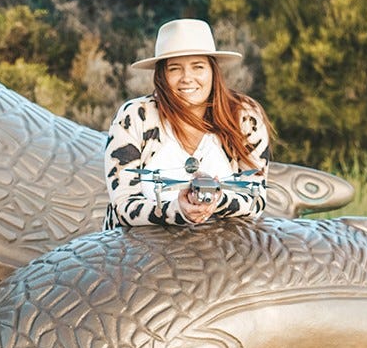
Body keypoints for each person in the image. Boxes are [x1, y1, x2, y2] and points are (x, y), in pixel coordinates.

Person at [104, 18, 272, 228]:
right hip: (141, 254)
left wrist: (217, 200)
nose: (187, 78)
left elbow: (256, 199)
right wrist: (178, 210)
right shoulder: (135, 117)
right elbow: (124, 206)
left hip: (225, 253)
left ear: (213, 71)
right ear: (162, 75)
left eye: (198, 67)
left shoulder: (244, 116)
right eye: (175, 68)